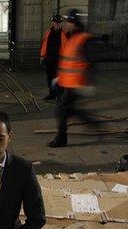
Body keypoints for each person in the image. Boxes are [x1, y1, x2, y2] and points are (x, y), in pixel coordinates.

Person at [48, 9, 99, 148]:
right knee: (67, 110)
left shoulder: (84, 38)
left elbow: (91, 61)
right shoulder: (72, 37)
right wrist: (58, 78)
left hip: (77, 83)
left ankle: (61, 139)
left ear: (75, 24)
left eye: (68, 21)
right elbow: (68, 61)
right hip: (68, 82)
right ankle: (93, 122)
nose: (65, 24)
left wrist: (89, 83)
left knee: (60, 110)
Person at [40, 15, 66, 101]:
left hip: (59, 60)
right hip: (49, 59)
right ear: (52, 22)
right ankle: (52, 95)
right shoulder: (49, 32)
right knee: (50, 78)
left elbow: (66, 47)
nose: (57, 24)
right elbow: (44, 44)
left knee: (58, 78)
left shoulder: (64, 33)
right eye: (55, 22)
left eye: (58, 22)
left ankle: (59, 96)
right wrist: (42, 55)